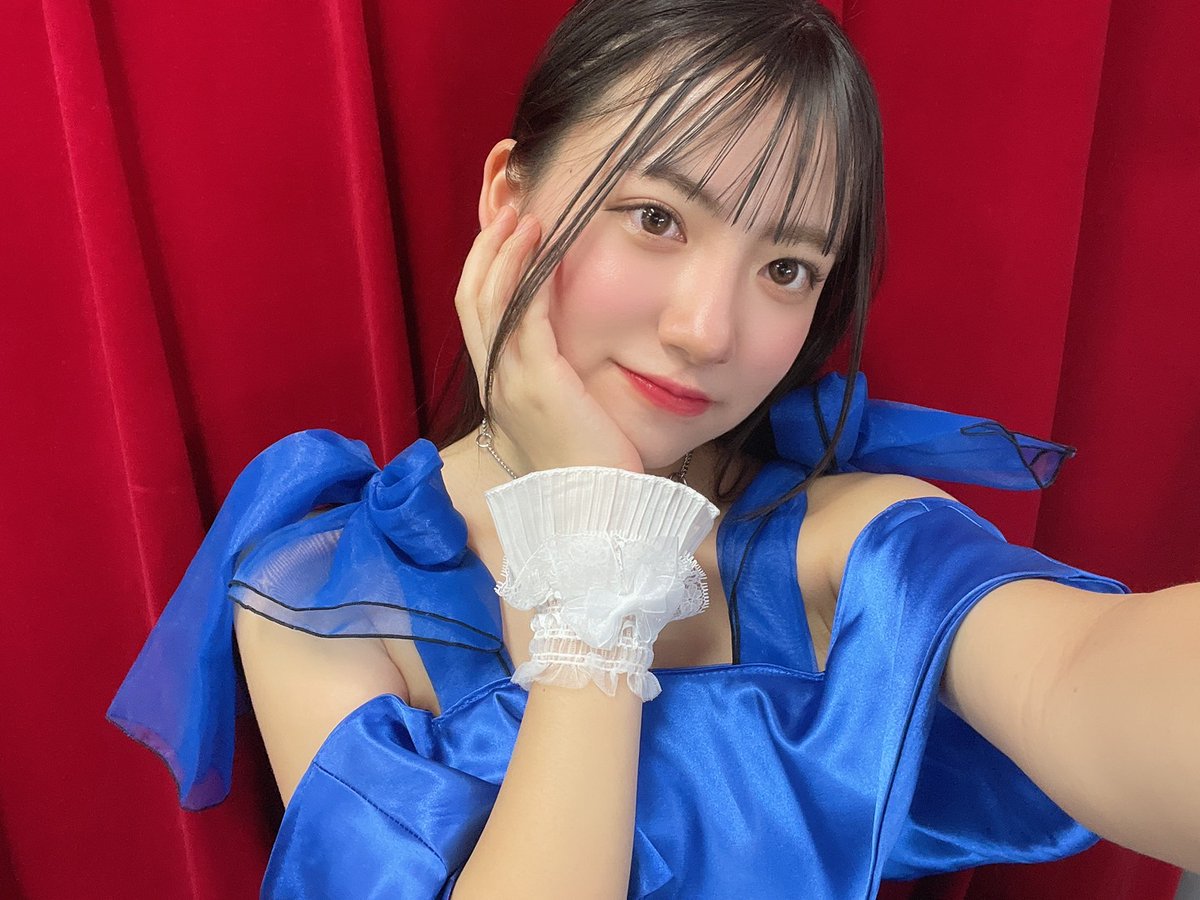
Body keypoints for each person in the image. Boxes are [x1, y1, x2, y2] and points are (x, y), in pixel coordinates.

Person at [108, 0, 1200, 896]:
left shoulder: (843, 544)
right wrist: (597, 550)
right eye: (657, 218)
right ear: (509, 200)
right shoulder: (328, 592)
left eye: (787, 270)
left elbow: (1083, 679)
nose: (706, 331)